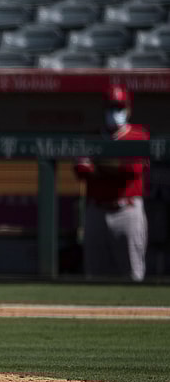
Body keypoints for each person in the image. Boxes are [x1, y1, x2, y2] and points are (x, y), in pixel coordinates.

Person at [73, 84, 149, 282]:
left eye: (119, 107)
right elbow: (81, 169)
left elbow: (132, 170)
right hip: (97, 210)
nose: (114, 112)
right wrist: (114, 165)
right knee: (94, 275)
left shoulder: (139, 135)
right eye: (110, 107)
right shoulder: (92, 137)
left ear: (128, 109)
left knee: (133, 274)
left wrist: (99, 165)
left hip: (127, 210)